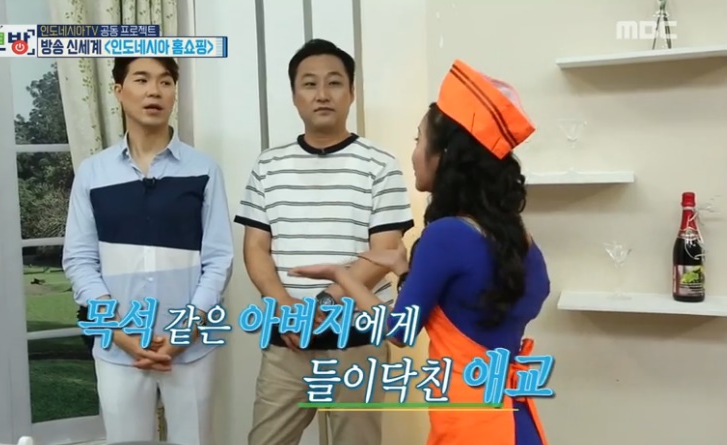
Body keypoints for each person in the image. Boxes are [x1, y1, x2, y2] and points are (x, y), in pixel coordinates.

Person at [289, 59, 551, 445]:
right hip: (519, 420)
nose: (413, 154)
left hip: (471, 427)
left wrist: (342, 276)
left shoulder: (445, 236)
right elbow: (468, 305)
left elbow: (398, 331)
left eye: (418, 141)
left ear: (443, 155)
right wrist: (405, 270)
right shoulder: (522, 241)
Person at [234, 39, 415, 445]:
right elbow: (255, 248)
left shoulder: (380, 165)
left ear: (351, 93)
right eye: (309, 84)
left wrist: (322, 307)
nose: (322, 94)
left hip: (358, 339)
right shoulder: (268, 165)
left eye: (334, 83)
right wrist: (286, 307)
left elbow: (384, 252)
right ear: (294, 96)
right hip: (288, 341)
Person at [62, 57, 234, 445]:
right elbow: (79, 260)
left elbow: (219, 259)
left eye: (165, 82)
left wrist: (185, 330)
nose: (154, 91)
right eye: (141, 80)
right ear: (119, 91)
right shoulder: (93, 172)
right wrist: (118, 331)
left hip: (191, 346)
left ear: (174, 93)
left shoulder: (204, 169)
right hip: (118, 345)